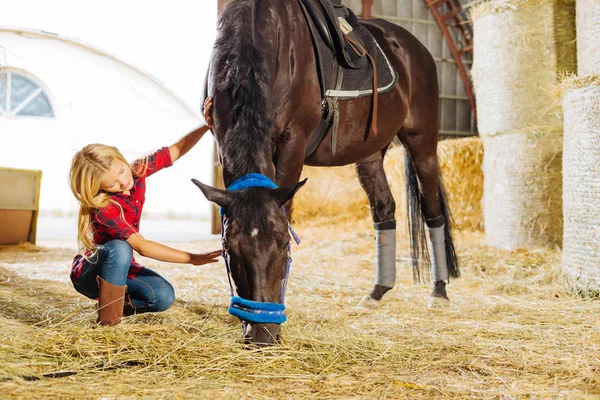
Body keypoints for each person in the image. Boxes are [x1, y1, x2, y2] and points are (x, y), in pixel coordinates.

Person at [68, 97, 220, 326]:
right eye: (112, 184)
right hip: (90, 273)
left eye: (121, 170)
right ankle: (107, 327)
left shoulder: (137, 170)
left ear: (121, 159)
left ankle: (115, 305)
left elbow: (177, 149)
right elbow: (144, 247)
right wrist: (192, 258)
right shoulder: (104, 208)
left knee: (162, 297)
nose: (123, 181)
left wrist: (207, 125)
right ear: (99, 188)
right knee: (121, 247)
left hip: (122, 269)